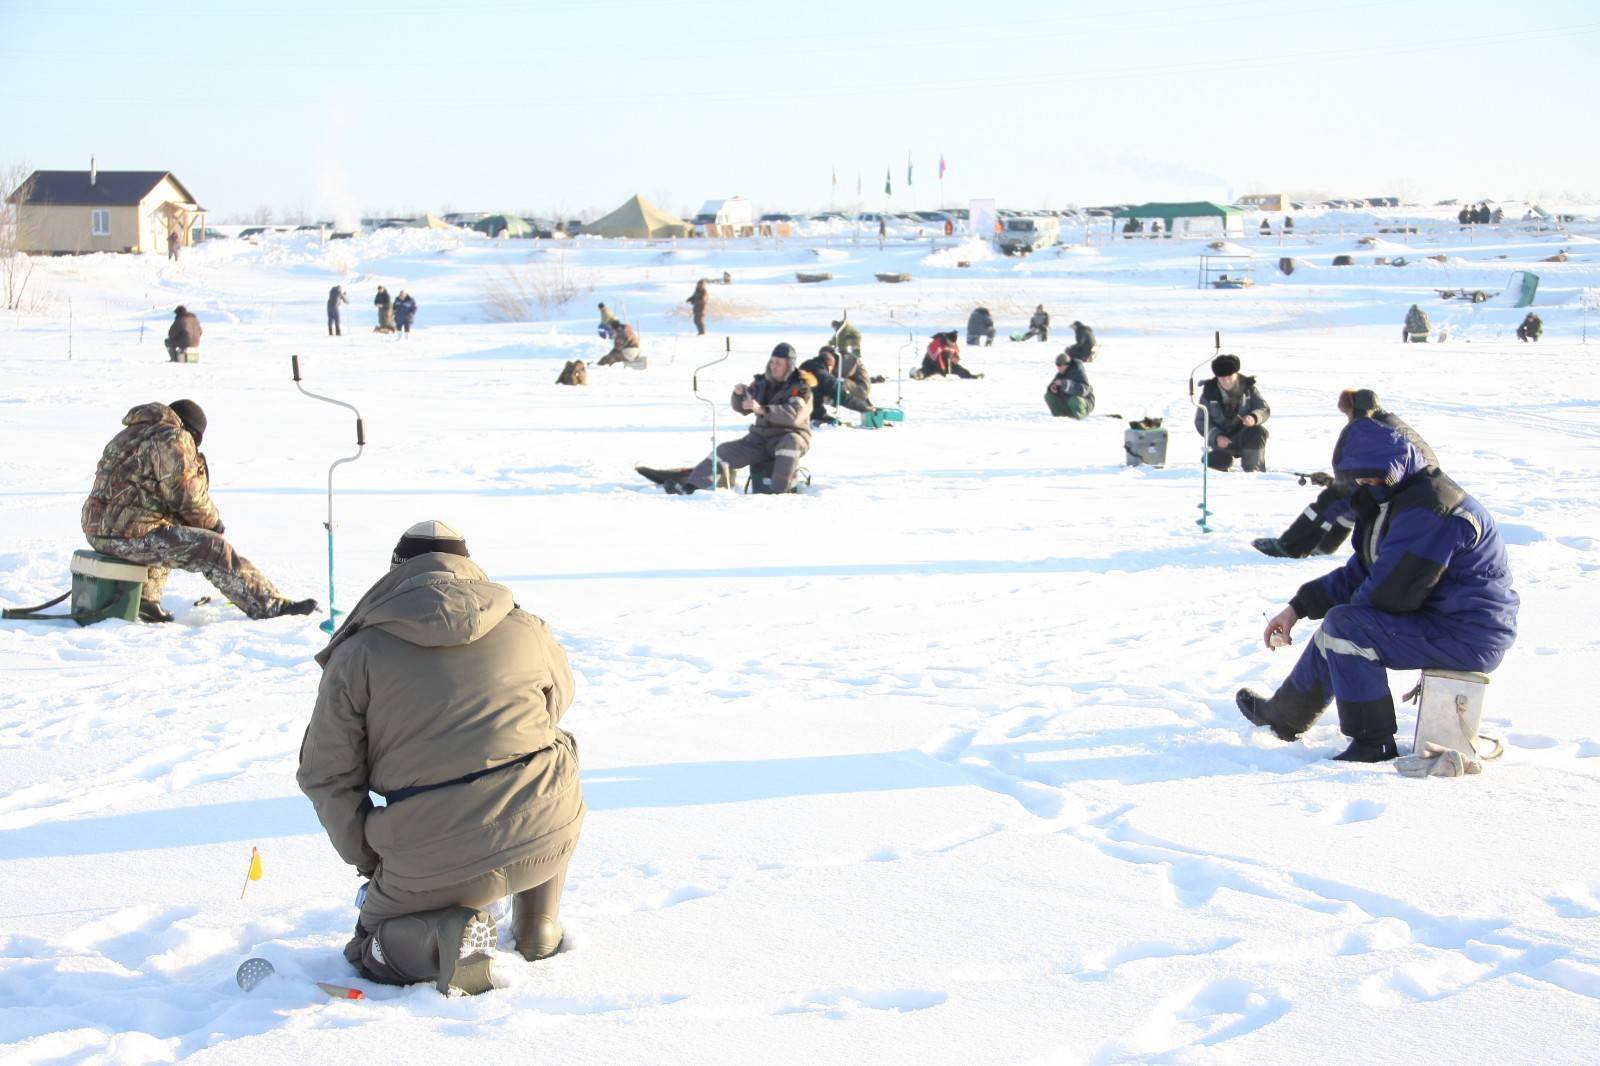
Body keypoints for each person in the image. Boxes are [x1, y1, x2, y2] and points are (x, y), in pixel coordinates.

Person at [297, 521, 583, 995]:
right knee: (552, 752)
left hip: (433, 848)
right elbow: (556, 704)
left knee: (370, 949)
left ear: (395, 573)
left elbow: (326, 776)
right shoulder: (526, 628)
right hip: (547, 832)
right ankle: (539, 926)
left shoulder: (360, 652)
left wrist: (373, 862)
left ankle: (444, 937)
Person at [1236, 418, 1519, 762]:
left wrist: (1343, 622)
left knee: (1347, 627)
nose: (1361, 482)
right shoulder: (1396, 500)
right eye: (1355, 476)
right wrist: (1298, 607)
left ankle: (1373, 743)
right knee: (1344, 626)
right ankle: (1283, 718)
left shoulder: (1431, 508)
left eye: (1368, 474)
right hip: (1445, 621)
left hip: (1469, 634)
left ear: (1394, 467)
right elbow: (1363, 572)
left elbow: (1392, 594)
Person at [81, 400, 316, 622]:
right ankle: (269, 606)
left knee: (165, 528)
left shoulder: (132, 433)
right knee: (212, 548)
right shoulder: (173, 436)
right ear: (192, 433)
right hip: (127, 535)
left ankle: (145, 601)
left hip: (99, 531)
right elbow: (186, 494)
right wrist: (213, 525)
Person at [1253, 388, 1437, 559]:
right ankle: (1325, 548)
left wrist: (1337, 484)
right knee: (1352, 498)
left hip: (1408, 494)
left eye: (1348, 413)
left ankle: (1289, 547)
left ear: (1355, 410)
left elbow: (1372, 472)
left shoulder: (1370, 427)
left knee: (1333, 498)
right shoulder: (1390, 423)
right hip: (1426, 489)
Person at [663, 344, 813, 494]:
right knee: (723, 452)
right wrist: (740, 394)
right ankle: (691, 488)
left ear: (789, 366)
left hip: (791, 435)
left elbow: (793, 415)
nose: (774, 366)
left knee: (790, 443)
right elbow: (742, 407)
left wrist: (763, 409)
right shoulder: (763, 382)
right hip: (761, 438)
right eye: (772, 361)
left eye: (779, 363)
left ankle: (779, 493)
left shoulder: (800, 387)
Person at [1194, 353, 1269, 471]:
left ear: (1236, 374)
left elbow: (1264, 409)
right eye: (1222, 378)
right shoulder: (1209, 392)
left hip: (1244, 435)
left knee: (1258, 431)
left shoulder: (1248, 388)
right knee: (1220, 464)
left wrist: (1254, 417)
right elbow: (1201, 421)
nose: (1226, 381)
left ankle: (1254, 471)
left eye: (1230, 376)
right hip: (1221, 440)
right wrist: (1217, 436)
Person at [801, 345, 876, 425]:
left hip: (799, 405)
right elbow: (842, 396)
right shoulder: (824, 376)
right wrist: (865, 408)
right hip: (805, 409)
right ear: (830, 366)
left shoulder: (805, 365)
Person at [1045, 352, 1094, 419]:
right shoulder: (1060, 374)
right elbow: (1052, 386)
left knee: (1074, 400)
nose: (1058, 367)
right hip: (1068, 403)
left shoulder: (1078, 372)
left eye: (1059, 365)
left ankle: (1081, 416)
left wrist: (1065, 384)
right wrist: (1053, 388)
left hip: (1085, 402)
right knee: (1049, 396)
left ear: (1066, 365)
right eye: (1057, 365)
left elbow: (1084, 390)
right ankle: (1060, 416)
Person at [912, 332, 980, 379]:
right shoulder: (937, 343)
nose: (952, 344)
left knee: (959, 369)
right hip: (931, 363)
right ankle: (918, 374)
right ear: (947, 339)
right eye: (950, 342)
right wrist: (942, 369)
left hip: (946, 363)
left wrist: (954, 359)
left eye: (953, 343)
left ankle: (969, 376)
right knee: (930, 370)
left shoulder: (953, 345)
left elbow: (956, 354)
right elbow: (935, 358)